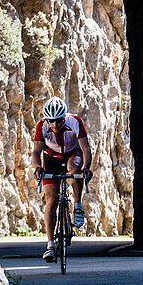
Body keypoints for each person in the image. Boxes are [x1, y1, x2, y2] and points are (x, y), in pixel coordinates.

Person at [30, 97, 93, 263]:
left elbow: (86, 149)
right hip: (51, 159)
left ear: (64, 118)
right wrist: (38, 168)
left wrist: (86, 168)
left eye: (58, 121)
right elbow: (36, 152)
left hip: (73, 154)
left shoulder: (75, 122)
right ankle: (50, 245)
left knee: (75, 170)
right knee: (51, 201)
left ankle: (77, 206)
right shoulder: (42, 126)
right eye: (52, 121)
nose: (55, 125)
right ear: (47, 120)